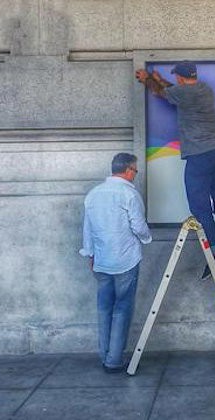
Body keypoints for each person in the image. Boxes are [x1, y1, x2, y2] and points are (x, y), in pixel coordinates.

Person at [135, 61, 215, 279]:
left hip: (200, 154)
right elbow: (172, 90)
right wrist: (160, 79)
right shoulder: (204, 89)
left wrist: (147, 79)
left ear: (180, 77)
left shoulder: (183, 92)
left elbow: (162, 92)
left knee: (199, 206)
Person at [79, 153, 152, 373]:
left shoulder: (93, 194)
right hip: (125, 260)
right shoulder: (129, 194)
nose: (135, 175)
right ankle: (114, 360)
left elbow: (88, 228)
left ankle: (105, 355)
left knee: (104, 308)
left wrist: (90, 254)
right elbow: (138, 226)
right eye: (136, 171)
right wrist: (147, 238)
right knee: (122, 309)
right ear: (129, 170)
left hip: (101, 261)